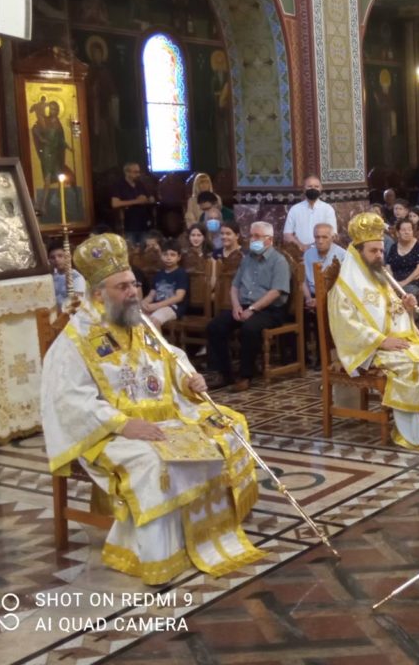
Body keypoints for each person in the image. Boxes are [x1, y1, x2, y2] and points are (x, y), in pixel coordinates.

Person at [41, 232, 263, 584]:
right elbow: (68, 399)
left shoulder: (137, 321)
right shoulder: (76, 340)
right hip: (107, 432)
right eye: (123, 287)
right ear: (98, 294)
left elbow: (170, 358)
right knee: (154, 460)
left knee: (227, 426)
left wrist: (189, 379)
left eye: (134, 284)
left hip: (165, 415)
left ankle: (211, 529)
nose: (133, 292)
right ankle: (161, 552)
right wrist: (122, 424)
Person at [329, 212, 419, 451]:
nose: (379, 255)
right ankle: (417, 433)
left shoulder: (379, 277)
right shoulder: (344, 289)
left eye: (381, 250)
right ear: (357, 252)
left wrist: (405, 307)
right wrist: (380, 341)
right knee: (415, 366)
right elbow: (345, 326)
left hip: (398, 340)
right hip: (369, 350)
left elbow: (390, 312)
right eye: (373, 251)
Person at [205, 221, 291, 392]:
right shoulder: (247, 259)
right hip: (244, 305)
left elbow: (276, 292)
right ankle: (225, 373)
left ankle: (246, 376)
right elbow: (234, 286)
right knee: (215, 326)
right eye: (251, 236)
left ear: (269, 239)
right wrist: (236, 306)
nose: (252, 240)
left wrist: (252, 309)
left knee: (249, 328)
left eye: (257, 236)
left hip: (270, 309)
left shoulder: (279, 261)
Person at [140, 239, 190, 327]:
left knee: (154, 320)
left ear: (179, 257)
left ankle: (158, 337)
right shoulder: (159, 274)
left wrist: (156, 306)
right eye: (165, 254)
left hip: (173, 308)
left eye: (172, 255)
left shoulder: (181, 273)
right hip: (157, 305)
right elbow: (152, 295)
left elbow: (179, 297)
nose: (168, 258)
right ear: (161, 256)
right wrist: (144, 303)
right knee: (139, 317)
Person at [282, 175, 337, 252]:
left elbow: (333, 234)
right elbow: (287, 235)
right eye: (310, 186)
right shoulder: (295, 209)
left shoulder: (328, 209)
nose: (313, 189)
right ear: (304, 189)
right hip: (299, 252)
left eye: (316, 187)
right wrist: (301, 246)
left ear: (321, 189)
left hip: (322, 252)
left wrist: (313, 247)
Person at [302, 222, 346, 309]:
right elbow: (302, 280)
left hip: (334, 299)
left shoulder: (342, 255)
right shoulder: (308, 254)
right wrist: (308, 298)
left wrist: (321, 300)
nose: (320, 241)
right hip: (310, 296)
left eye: (324, 237)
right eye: (317, 237)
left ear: (332, 238)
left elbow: (342, 286)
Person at [110, 162, 155, 245]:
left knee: (144, 248)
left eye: (138, 172)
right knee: (131, 249)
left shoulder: (140, 184)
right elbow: (115, 203)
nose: (138, 174)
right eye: (135, 172)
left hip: (143, 224)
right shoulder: (119, 185)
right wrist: (137, 201)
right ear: (127, 172)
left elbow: (151, 199)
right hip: (128, 225)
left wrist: (147, 199)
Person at [387, 219, 419, 297]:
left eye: (409, 230)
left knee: (408, 291)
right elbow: (388, 266)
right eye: (403, 230)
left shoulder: (418, 246)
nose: (407, 232)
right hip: (396, 281)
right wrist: (393, 282)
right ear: (398, 233)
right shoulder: (394, 247)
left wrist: (403, 283)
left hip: (415, 280)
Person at [47, 238, 86, 309]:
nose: (56, 259)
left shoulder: (76, 277)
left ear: (68, 257)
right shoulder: (51, 277)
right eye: (52, 257)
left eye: (60, 256)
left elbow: (77, 303)